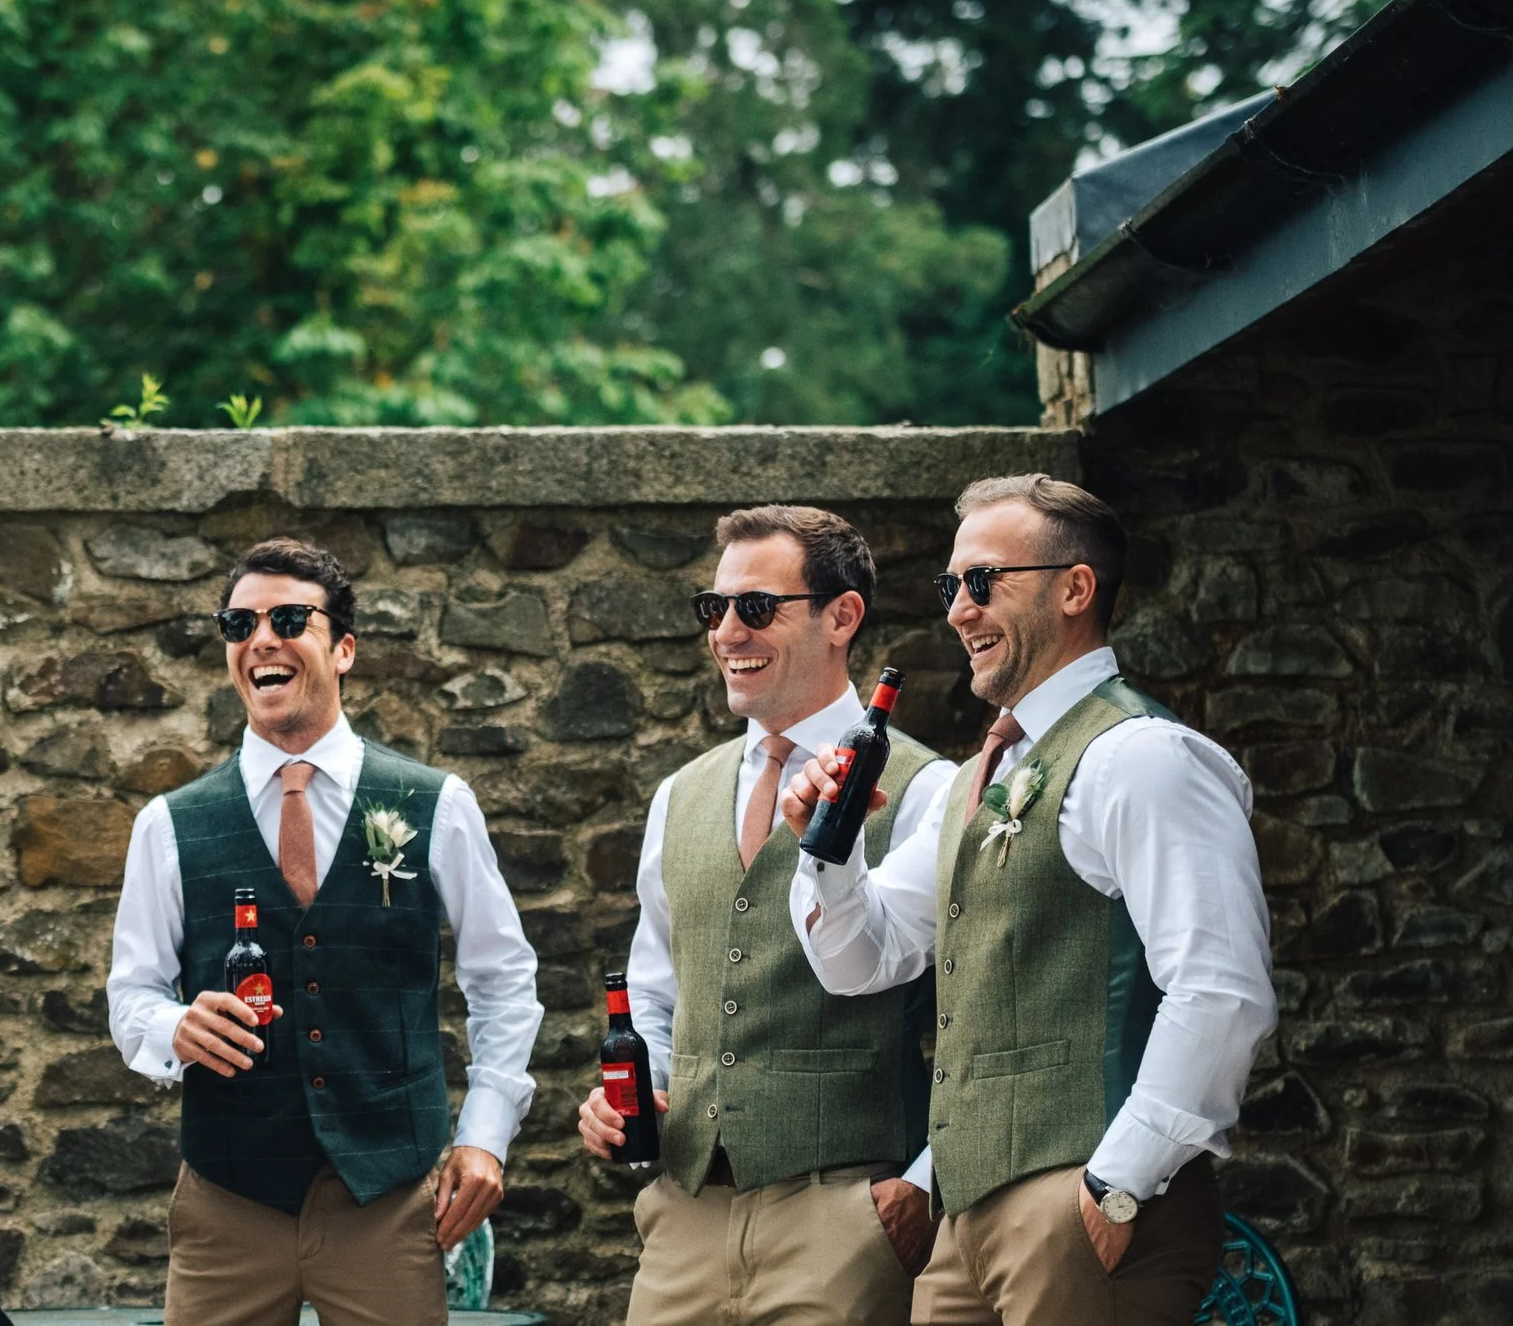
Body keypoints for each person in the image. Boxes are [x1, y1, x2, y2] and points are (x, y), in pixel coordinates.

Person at [782, 474, 1276, 1326]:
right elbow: (861, 960)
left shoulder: (1144, 758)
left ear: (1075, 588)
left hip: (1086, 1208)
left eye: (982, 582)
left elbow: (1221, 988)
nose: (957, 611)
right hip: (964, 1217)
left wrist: (1113, 1186)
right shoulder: (973, 780)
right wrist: (829, 849)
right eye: (950, 587)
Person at [108, 537, 544, 1326]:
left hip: (388, 1198)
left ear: (342, 647)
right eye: (239, 623)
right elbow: (131, 993)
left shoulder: (433, 803)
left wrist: (484, 1136)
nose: (260, 639)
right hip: (227, 1202)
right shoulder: (168, 824)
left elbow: (503, 977)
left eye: (286, 618)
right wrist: (177, 1025)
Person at [580, 506, 959, 1326]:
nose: (726, 631)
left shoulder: (932, 788)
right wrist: (635, 1089)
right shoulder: (679, 794)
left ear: (842, 616)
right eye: (712, 608)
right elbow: (656, 987)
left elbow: (982, 1007)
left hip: (846, 1216)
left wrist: (917, 1189)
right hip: (684, 1216)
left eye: (755, 606)